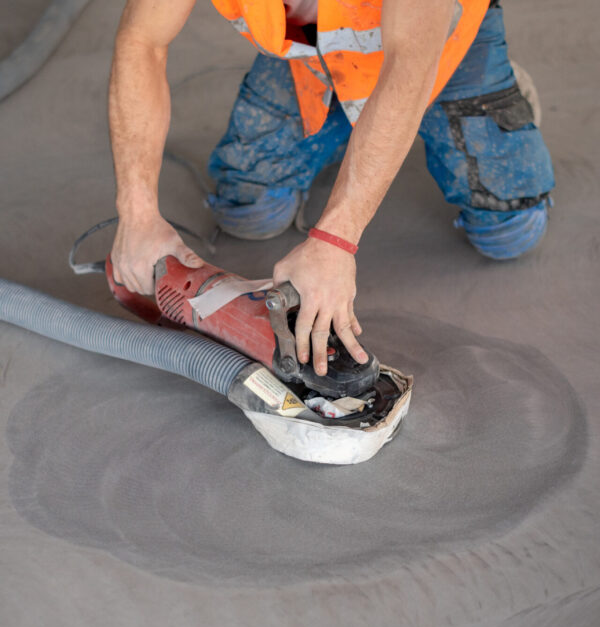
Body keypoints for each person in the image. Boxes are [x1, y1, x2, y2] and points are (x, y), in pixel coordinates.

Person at [108, 0, 554, 377]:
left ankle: (487, 95)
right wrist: (137, 213)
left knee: (509, 232)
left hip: (432, 44)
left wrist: (333, 240)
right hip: (314, 45)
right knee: (249, 211)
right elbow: (142, 42)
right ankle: (358, 119)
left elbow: (410, 66)